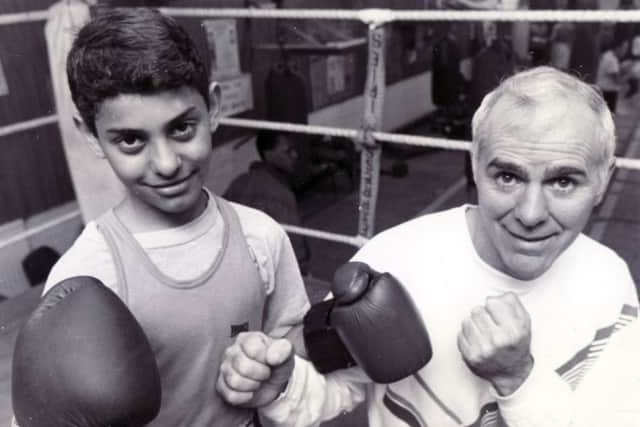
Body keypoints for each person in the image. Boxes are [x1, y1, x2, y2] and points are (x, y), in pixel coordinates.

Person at [216, 66, 639, 427]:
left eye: (563, 182)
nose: (530, 214)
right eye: (507, 177)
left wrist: (518, 380)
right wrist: (283, 386)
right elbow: (333, 388)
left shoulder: (608, 282)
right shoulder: (397, 258)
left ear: (603, 180)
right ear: (474, 164)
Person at [18, 7, 310, 426]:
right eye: (132, 140)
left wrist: (278, 370)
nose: (167, 163)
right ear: (91, 137)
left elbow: (292, 342)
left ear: (212, 106)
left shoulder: (260, 235)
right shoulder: (86, 274)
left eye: (181, 128)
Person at [224, 129, 311, 275]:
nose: (295, 155)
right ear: (269, 154)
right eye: (288, 151)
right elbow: (297, 253)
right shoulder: (281, 194)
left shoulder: (238, 182)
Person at [596, 34, 629, 113]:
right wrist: (629, 73)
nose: (625, 51)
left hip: (603, 89)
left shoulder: (608, 55)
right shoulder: (612, 60)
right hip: (608, 92)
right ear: (618, 48)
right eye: (624, 48)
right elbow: (617, 80)